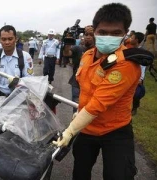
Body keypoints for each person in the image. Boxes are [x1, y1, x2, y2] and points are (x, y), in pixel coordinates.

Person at [53, 3, 140, 180]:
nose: (108, 37)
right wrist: (78, 113)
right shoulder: (87, 56)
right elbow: (86, 90)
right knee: (80, 172)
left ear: (125, 33)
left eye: (116, 33)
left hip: (115, 130)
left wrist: (69, 131)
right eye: (102, 32)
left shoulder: (126, 64)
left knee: (118, 175)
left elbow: (97, 104)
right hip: (87, 128)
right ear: (95, 31)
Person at [0, 25, 34, 98]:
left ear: (15, 39)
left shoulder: (26, 57)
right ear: (0, 40)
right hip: (0, 96)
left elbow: (29, 81)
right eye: (3, 39)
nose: (7, 42)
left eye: (10, 39)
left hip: (19, 95)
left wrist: (18, 83)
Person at [64, 25, 95, 112]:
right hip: (77, 83)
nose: (88, 37)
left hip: (92, 85)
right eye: (86, 34)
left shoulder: (98, 51)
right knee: (77, 106)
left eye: (91, 34)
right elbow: (67, 53)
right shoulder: (78, 48)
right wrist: (67, 43)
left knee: (90, 108)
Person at [130, 32, 146, 116]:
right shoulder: (128, 49)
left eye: (132, 38)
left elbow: (142, 67)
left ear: (136, 40)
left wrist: (141, 78)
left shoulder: (141, 52)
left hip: (137, 77)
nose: (130, 39)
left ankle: (135, 107)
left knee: (136, 94)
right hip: (129, 75)